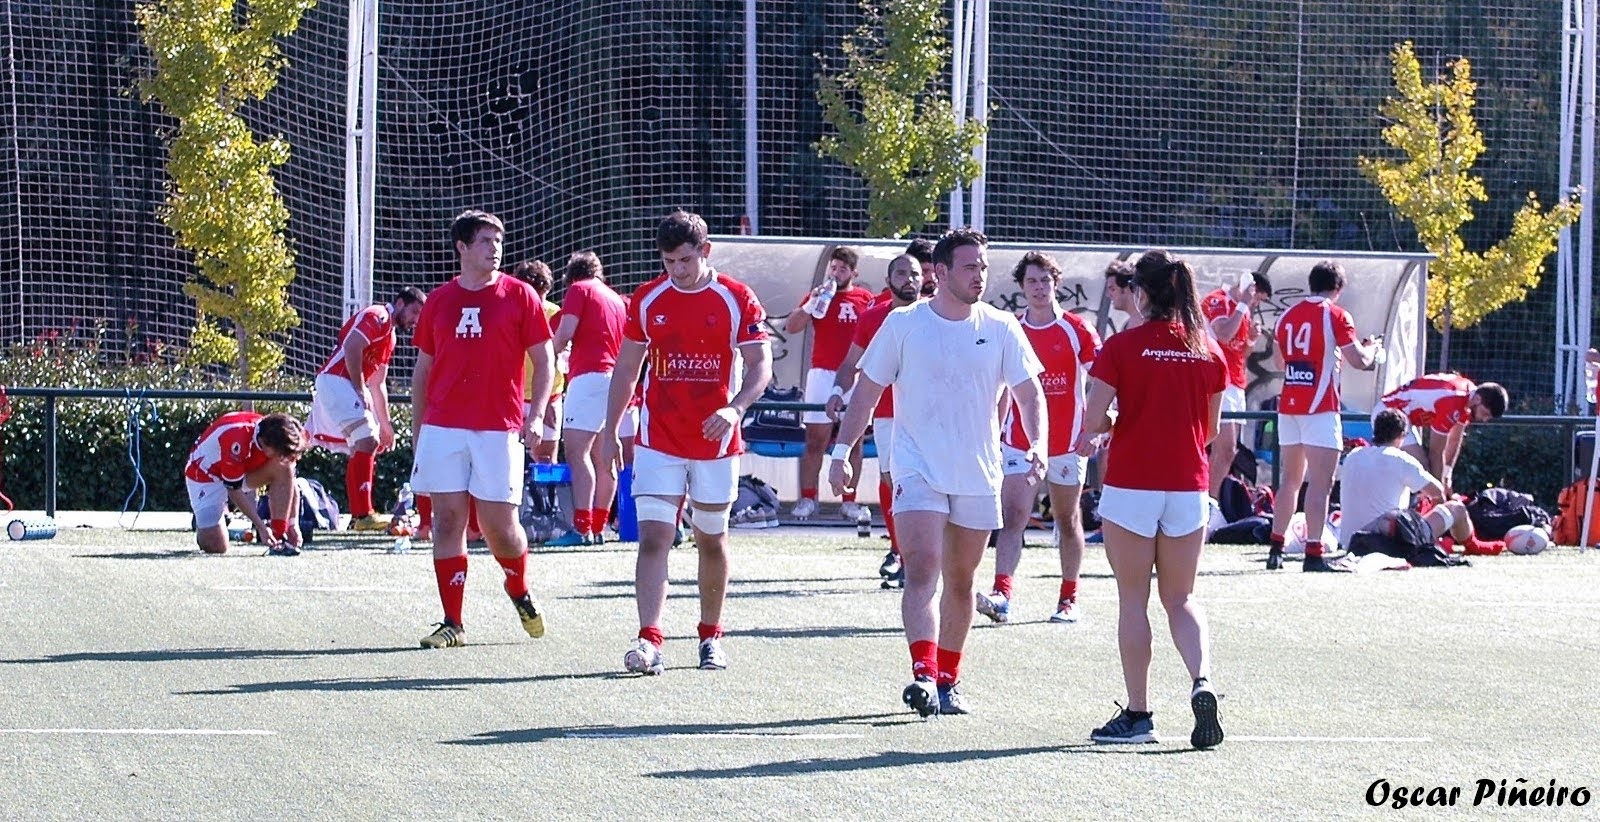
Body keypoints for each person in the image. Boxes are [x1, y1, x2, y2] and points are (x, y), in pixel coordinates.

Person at [829, 227, 1045, 718]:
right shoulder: (903, 323)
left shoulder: (1002, 326)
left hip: (978, 471)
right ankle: (924, 674)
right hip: (916, 467)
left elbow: (1029, 394)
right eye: (969, 267)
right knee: (923, 567)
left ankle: (949, 678)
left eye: (983, 267)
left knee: (962, 580)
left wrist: (1038, 443)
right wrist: (841, 451)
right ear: (941, 273)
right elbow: (866, 392)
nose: (979, 276)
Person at [599, 210, 772, 675]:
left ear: (705, 251)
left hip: (716, 441)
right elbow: (627, 368)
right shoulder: (647, 298)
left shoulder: (737, 297)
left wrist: (735, 408)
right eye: (669, 261)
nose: (677, 270)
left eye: (686, 260)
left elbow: (761, 366)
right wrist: (611, 430)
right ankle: (649, 639)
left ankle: (710, 636)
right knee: (654, 537)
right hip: (658, 439)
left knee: (710, 539)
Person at [1073, 248, 1227, 749]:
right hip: (1187, 485)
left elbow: (1093, 421)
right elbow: (1210, 431)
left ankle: (1139, 715)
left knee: (1132, 599)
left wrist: (1120, 420)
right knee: (1181, 599)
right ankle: (1202, 680)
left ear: (1139, 291)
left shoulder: (1121, 346)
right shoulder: (1209, 350)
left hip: (1132, 484)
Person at [410, 210, 555, 650]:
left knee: (500, 528)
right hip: (443, 426)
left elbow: (545, 361)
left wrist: (535, 415)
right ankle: (452, 622)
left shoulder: (520, 295)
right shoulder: (438, 300)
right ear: (462, 247)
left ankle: (518, 587)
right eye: (486, 241)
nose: (495, 248)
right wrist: (419, 433)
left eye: (499, 240)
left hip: (498, 428)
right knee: (447, 521)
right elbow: (423, 371)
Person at [978, 251, 1101, 625]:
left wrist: (1096, 429)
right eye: (1031, 281)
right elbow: (1000, 388)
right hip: (1019, 441)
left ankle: (1068, 598)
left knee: (1066, 518)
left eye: (1045, 280)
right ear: (1021, 287)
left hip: (1068, 443)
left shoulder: (1078, 329)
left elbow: (1104, 382)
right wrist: (992, 433)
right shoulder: (1010, 329)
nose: (1038, 287)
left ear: (1056, 284)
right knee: (1013, 515)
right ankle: (1002, 595)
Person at [1266, 261, 1381, 572]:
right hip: (1320, 408)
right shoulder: (1336, 315)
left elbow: (1279, 362)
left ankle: (1275, 548)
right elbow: (1359, 361)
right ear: (1338, 288)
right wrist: (1373, 350)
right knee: (1321, 483)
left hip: (1290, 406)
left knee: (1290, 481)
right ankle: (1313, 554)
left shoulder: (1287, 316)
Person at [825, 253, 925, 588]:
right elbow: (851, 363)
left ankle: (924, 558)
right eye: (902, 273)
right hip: (886, 414)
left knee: (926, 485)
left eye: (915, 273)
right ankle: (903, 555)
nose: (909, 279)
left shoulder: (937, 314)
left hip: (930, 416)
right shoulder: (873, 318)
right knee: (893, 482)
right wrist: (837, 391)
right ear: (888, 280)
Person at [306, 287, 426, 532]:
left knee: (362, 443)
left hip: (341, 384)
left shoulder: (390, 335)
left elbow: (378, 383)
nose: (415, 320)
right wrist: (359, 389)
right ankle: (363, 514)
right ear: (400, 303)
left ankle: (358, 515)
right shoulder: (378, 315)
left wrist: (386, 425)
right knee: (367, 440)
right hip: (336, 381)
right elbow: (352, 346)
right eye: (414, 312)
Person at [784, 247, 874, 520]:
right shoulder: (818, 295)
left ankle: (849, 500)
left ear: (854, 273)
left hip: (855, 374)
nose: (836, 273)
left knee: (854, 441)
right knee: (815, 439)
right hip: (822, 374)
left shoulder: (864, 298)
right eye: (833, 268)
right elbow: (792, 327)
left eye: (843, 269)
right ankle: (808, 498)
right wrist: (810, 304)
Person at [548, 251, 628, 544]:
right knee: (603, 455)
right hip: (615, 380)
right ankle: (597, 527)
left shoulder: (579, 290)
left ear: (571, 275)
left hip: (588, 377)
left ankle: (582, 528)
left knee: (577, 453)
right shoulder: (616, 299)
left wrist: (546, 358)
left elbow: (565, 334)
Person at [1338, 409, 1473, 551]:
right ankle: (1473, 545)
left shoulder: (1353, 456)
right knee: (1456, 508)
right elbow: (1437, 491)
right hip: (1389, 543)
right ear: (1402, 435)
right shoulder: (1400, 458)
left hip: (1350, 543)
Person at [185, 411, 308, 556]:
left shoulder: (269, 435)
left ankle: (279, 537)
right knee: (216, 545)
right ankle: (204, 525)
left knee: (284, 466)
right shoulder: (236, 437)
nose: (283, 456)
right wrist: (261, 527)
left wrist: (293, 524)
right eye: (280, 453)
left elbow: (289, 479)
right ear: (265, 443)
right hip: (205, 477)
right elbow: (234, 490)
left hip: (240, 473)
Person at [1201, 271, 1272, 500]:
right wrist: (1242, 305)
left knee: (1228, 452)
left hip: (1236, 382)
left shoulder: (1244, 310)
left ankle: (1211, 498)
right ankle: (1208, 499)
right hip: (1218, 381)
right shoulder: (1218, 300)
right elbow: (1223, 334)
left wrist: (1251, 339)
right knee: (1224, 448)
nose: (1255, 304)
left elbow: (1242, 352)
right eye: (1257, 298)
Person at [1375, 373, 1507, 496]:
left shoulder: (1469, 397)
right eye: (1485, 414)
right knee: (1422, 469)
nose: (1484, 419)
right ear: (1478, 399)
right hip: (1390, 413)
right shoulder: (1453, 402)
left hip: (1403, 416)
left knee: (1424, 474)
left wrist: (1447, 475)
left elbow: (1455, 439)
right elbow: (1436, 452)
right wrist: (1440, 495)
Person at [509, 260, 566, 467]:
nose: (537, 304)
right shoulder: (509, 315)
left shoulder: (555, 314)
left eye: (541, 296)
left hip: (547, 398)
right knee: (506, 458)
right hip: (513, 397)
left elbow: (562, 359)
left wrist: (549, 399)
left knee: (545, 462)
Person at [1103, 259, 1142, 332]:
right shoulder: (1127, 325)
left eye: (1112, 289)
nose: (1108, 295)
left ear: (1127, 288)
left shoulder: (1148, 321)